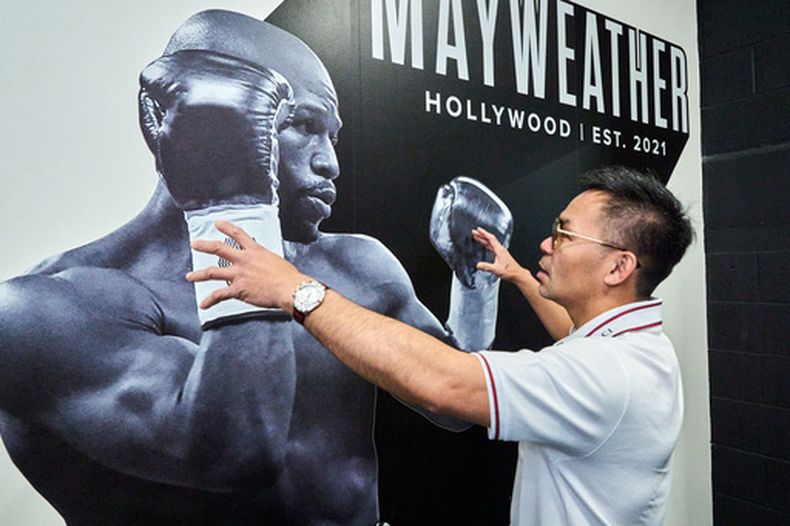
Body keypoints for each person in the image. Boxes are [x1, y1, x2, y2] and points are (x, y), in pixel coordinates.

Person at [0, 10, 513, 525]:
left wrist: (476, 285)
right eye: (303, 126)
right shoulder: (46, 312)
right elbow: (232, 452)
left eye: (332, 135)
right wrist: (233, 205)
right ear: (189, 123)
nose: (331, 163)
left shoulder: (357, 265)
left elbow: (452, 402)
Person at [188, 166, 694, 525]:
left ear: (618, 267)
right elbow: (572, 331)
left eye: (563, 234)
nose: (547, 243)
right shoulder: (640, 346)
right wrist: (517, 276)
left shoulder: (604, 375)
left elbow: (442, 383)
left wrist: (293, 289)